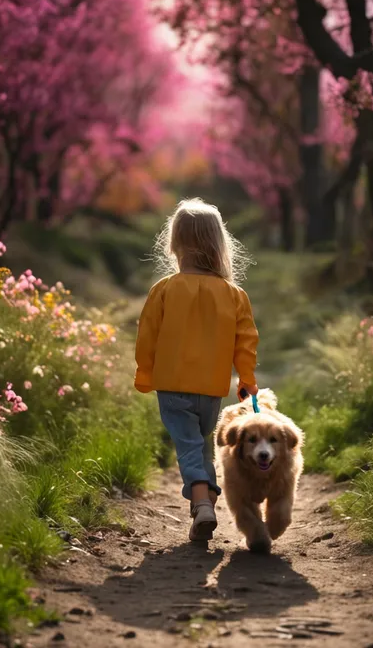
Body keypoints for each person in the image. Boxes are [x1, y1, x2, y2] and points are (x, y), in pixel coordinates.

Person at [134, 198, 258, 542]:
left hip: (172, 385)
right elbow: (245, 341)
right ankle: (207, 503)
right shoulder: (234, 294)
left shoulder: (164, 290)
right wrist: (246, 379)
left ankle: (202, 505)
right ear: (219, 244)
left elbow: (148, 337)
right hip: (211, 388)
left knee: (188, 446)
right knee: (201, 444)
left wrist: (145, 372)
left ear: (174, 244)